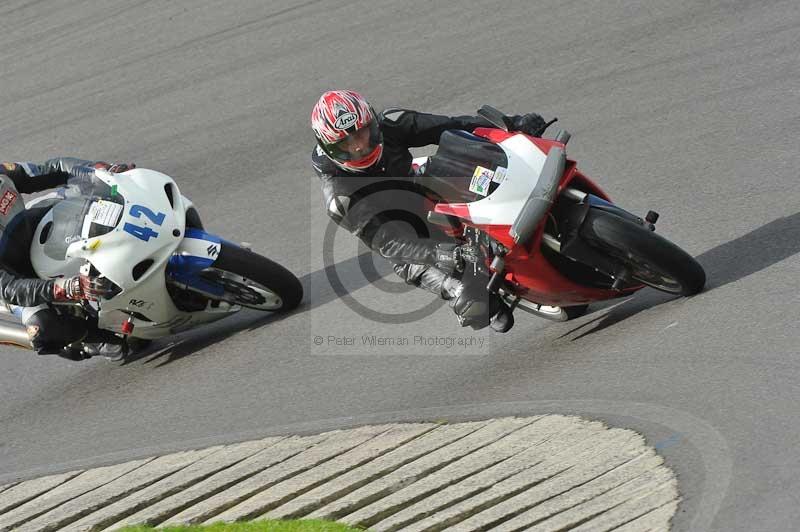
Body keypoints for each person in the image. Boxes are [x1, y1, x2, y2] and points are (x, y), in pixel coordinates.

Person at [311, 90, 547, 332]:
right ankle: (466, 292)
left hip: (420, 188)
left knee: (476, 162)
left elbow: (453, 124)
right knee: (479, 306)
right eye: (346, 144)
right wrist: (443, 254)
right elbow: (390, 244)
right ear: (330, 148)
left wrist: (513, 124)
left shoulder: (391, 122)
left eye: (363, 133)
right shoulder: (340, 197)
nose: (359, 146)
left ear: (372, 122)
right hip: (406, 236)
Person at [0, 158, 134, 360]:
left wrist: (99, 173)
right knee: (42, 328)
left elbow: (55, 168)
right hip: (19, 278)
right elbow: (9, 288)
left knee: (107, 194)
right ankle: (90, 336)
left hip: (37, 223)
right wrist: (65, 287)